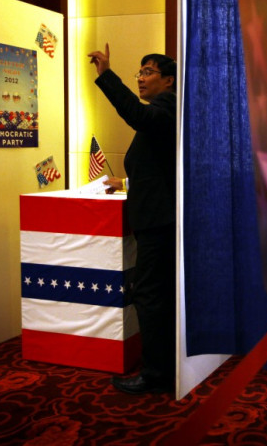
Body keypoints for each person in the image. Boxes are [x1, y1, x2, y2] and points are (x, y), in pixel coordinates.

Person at [88, 43, 177, 394]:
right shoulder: (163, 111)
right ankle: (163, 367)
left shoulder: (166, 107)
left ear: (168, 80)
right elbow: (162, 166)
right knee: (157, 295)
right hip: (158, 216)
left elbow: (136, 116)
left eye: (147, 72)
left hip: (158, 222)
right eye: (139, 72)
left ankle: (156, 375)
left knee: (151, 295)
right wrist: (125, 182)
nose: (140, 78)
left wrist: (107, 76)